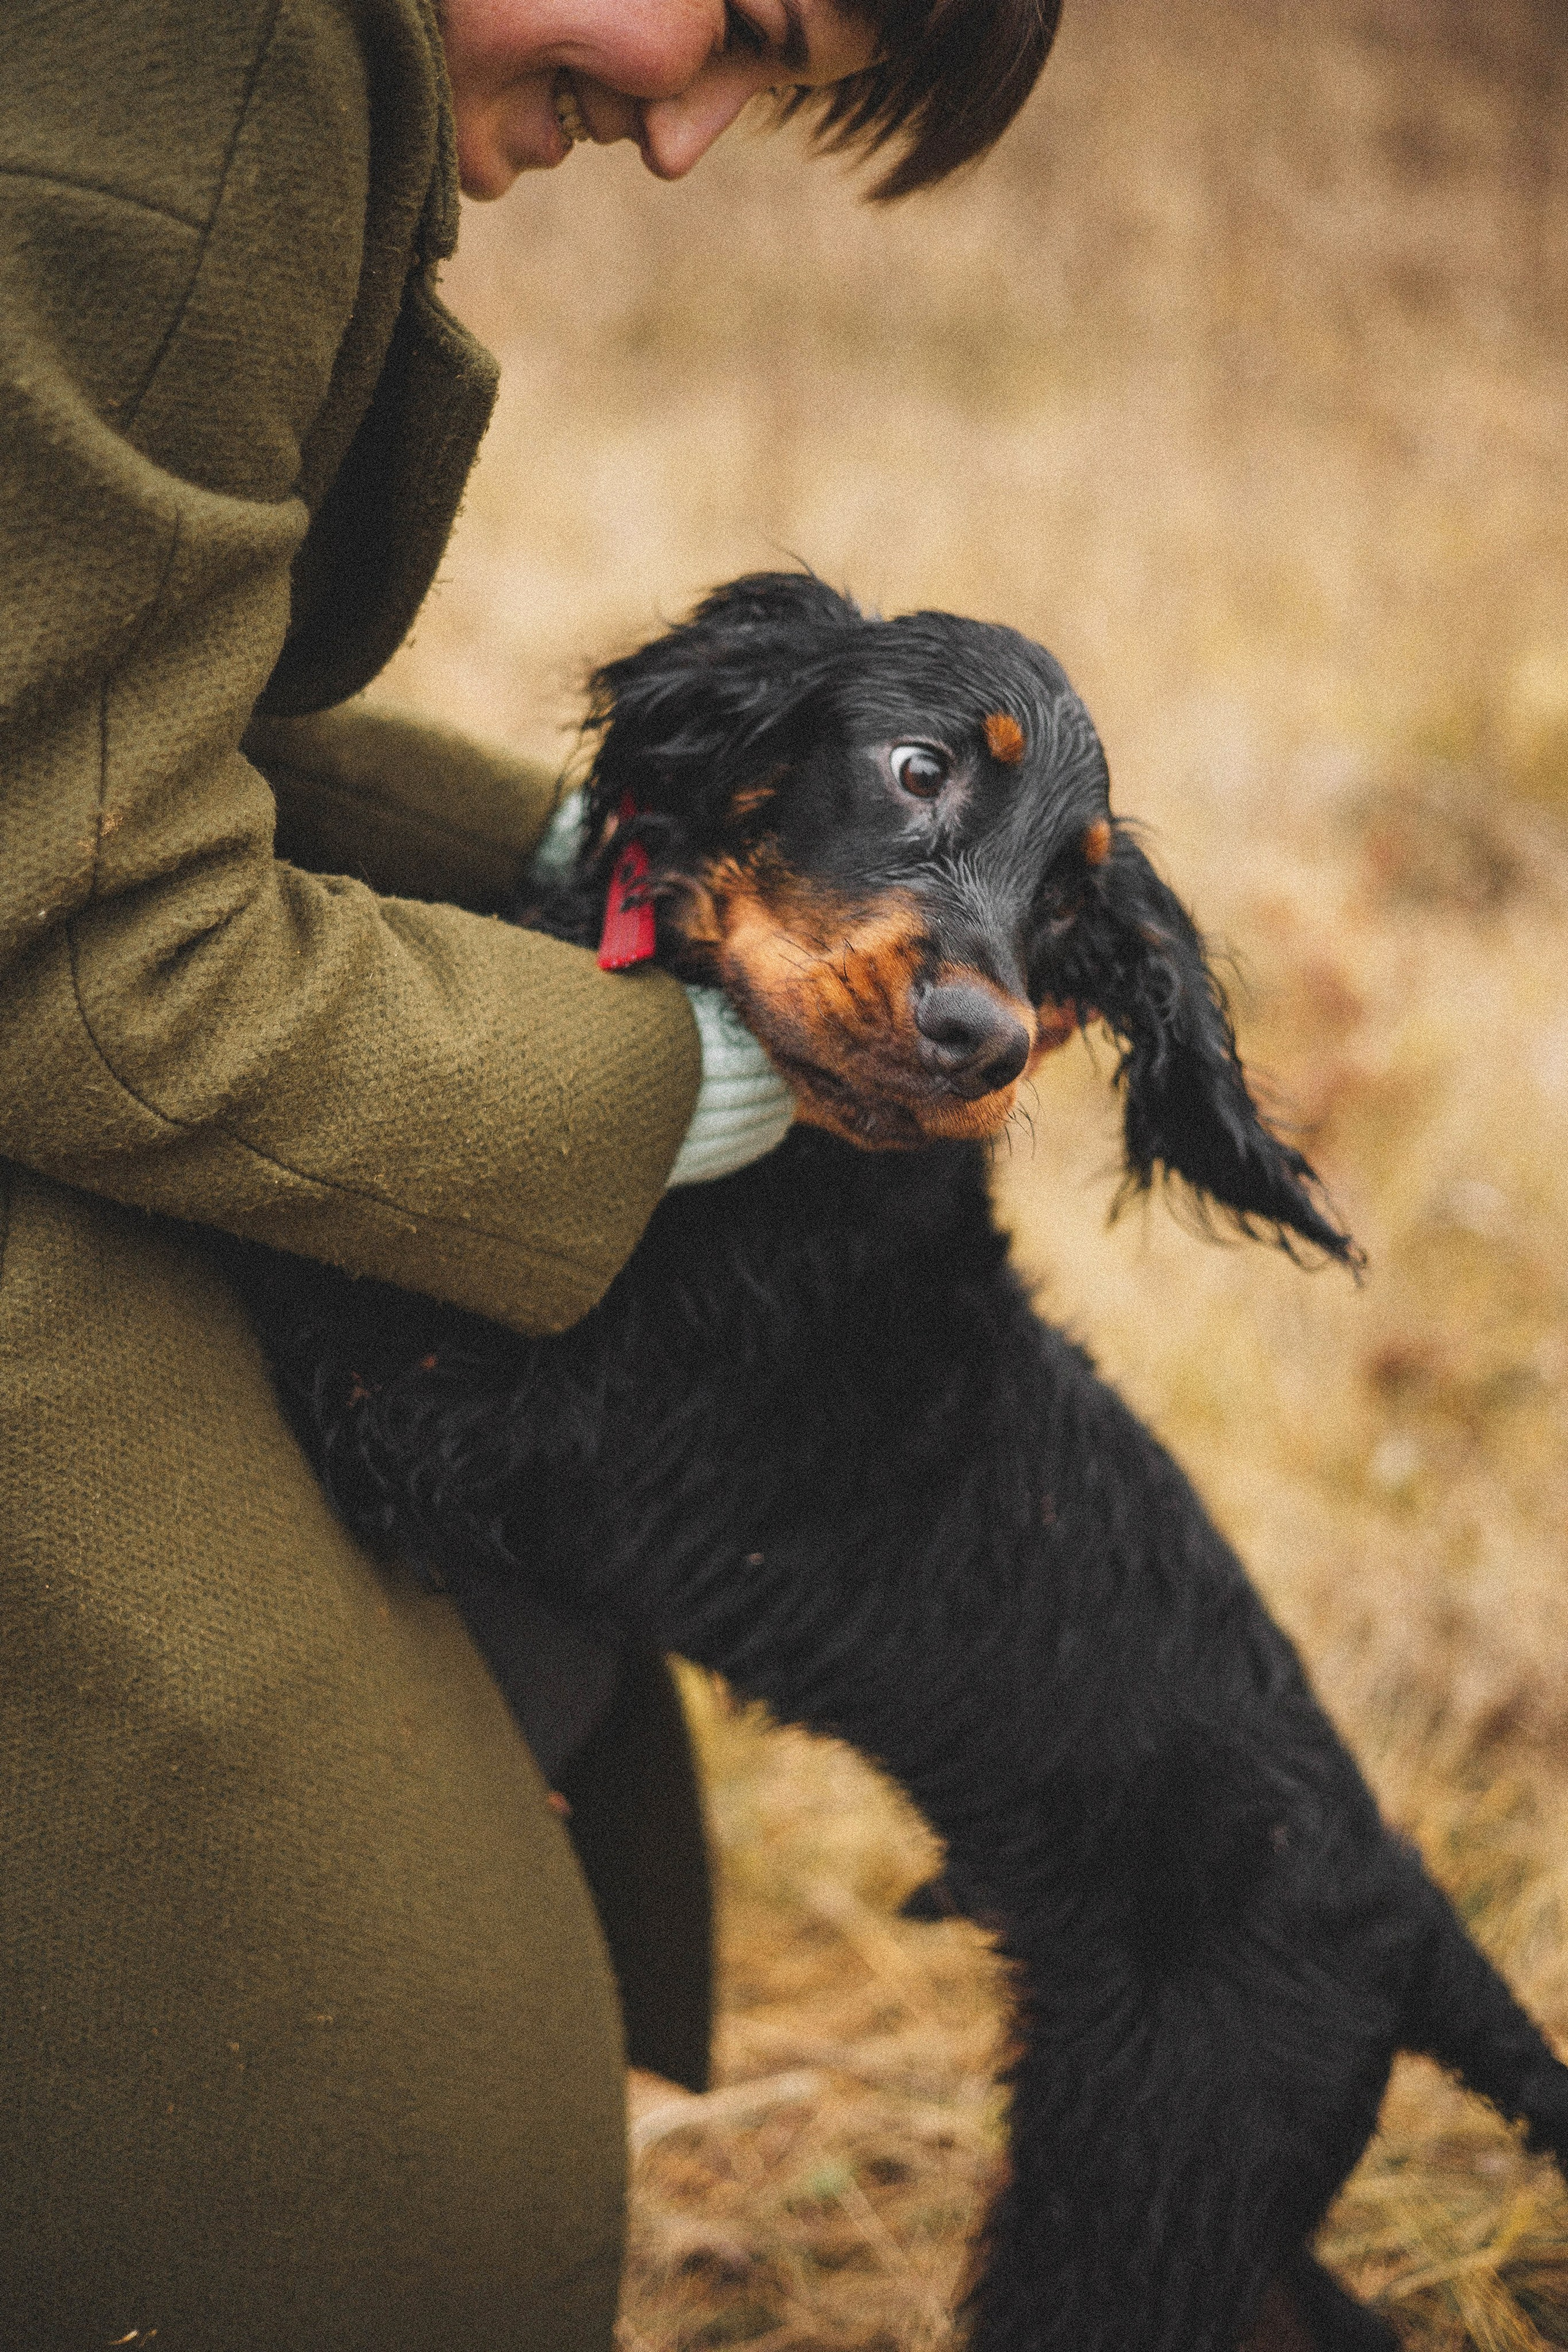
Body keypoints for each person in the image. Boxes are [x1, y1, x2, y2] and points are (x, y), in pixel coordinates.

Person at [0, 3, 1058, 2344]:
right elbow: (63, 937)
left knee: (527, 1632)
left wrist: (594, 860)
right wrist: (704, 1081)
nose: (681, 143)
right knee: (405, 2165)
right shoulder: (224, 62)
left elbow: (100, 693)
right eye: (744, 33)